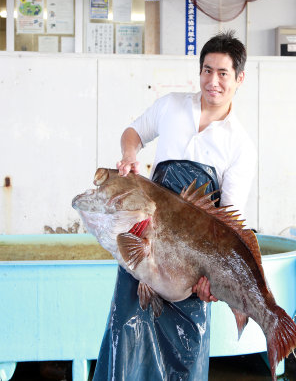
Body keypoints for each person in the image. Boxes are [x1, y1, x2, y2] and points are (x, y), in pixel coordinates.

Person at [93, 30, 256, 381]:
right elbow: (133, 132)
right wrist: (129, 155)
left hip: (192, 261)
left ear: (239, 78)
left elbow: (228, 222)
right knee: (126, 337)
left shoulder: (241, 145)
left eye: (223, 73)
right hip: (146, 244)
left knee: (184, 358)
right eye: (207, 70)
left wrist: (210, 279)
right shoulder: (170, 106)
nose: (213, 81)